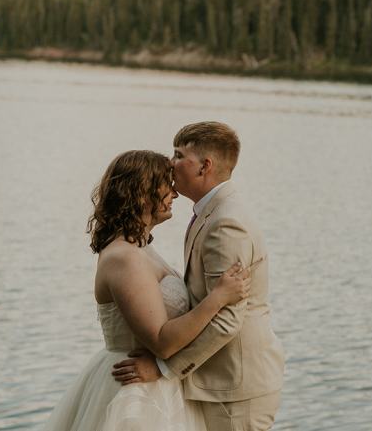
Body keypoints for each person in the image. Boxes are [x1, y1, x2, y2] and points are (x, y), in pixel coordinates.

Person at [43, 150, 251, 431]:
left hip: (159, 385)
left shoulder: (140, 248)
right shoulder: (124, 258)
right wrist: (218, 298)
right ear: (142, 193)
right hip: (135, 392)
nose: (174, 194)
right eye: (166, 185)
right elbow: (162, 341)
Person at [112, 122, 286, 431]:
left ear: (205, 166)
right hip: (215, 381)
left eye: (179, 155)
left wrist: (163, 368)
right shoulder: (211, 212)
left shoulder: (226, 223)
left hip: (234, 387)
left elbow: (228, 318)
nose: (171, 163)